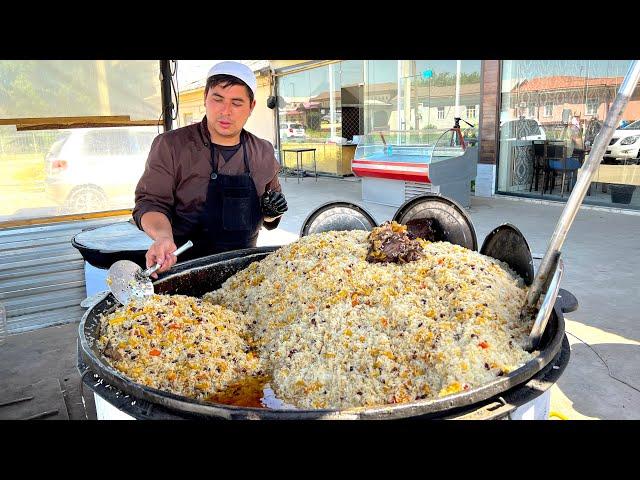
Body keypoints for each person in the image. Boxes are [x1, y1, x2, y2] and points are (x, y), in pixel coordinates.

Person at [132, 61, 288, 277]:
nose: (226, 111)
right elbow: (150, 203)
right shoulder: (171, 145)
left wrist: (272, 213)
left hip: (244, 274)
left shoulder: (263, 151)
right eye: (217, 99)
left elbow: (270, 214)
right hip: (182, 271)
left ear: (251, 106)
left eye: (237, 102)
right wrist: (163, 237)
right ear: (205, 98)